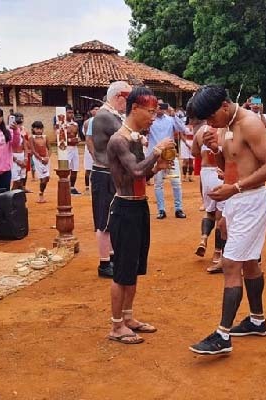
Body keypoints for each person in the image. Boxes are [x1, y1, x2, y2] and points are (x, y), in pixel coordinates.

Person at [189, 85, 266, 355]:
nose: (208, 124)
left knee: (230, 264)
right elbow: (233, 162)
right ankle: (257, 320)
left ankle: (222, 335)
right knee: (249, 262)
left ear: (224, 107)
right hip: (237, 200)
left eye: (210, 118)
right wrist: (215, 151)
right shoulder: (225, 125)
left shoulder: (250, 124)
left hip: (251, 201)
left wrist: (235, 189)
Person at [104, 86, 173, 345]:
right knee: (123, 270)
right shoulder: (119, 140)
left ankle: (128, 317)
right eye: (151, 111)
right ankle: (115, 325)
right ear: (135, 109)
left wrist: (157, 167)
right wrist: (156, 152)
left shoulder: (134, 138)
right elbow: (134, 171)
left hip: (139, 206)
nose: (153, 117)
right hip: (124, 209)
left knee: (134, 267)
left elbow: (142, 175)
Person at [92, 81, 134, 279]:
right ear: (119, 97)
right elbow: (128, 134)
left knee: (112, 217)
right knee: (104, 220)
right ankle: (104, 263)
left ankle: (111, 256)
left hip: (110, 173)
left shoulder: (110, 115)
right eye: (128, 100)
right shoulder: (105, 116)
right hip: (104, 173)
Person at [191, 112, 227, 273]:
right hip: (220, 172)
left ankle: (204, 238)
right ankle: (218, 252)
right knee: (221, 216)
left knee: (209, 212)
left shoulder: (200, 131)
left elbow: (194, 152)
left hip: (206, 174)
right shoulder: (224, 130)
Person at [149, 100, 186, 219]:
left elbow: (182, 129)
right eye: (157, 106)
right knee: (158, 184)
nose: (160, 108)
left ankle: (179, 209)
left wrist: (174, 114)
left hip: (170, 155)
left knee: (176, 183)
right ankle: (161, 210)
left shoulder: (171, 119)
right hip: (156, 156)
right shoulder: (150, 120)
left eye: (162, 105)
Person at [0, 106, 20, 194]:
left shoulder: (7, 131)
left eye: (0, 116)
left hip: (6, 170)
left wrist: (16, 131)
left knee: (5, 196)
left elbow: (15, 145)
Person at [54, 105, 82, 195]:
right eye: (69, 112)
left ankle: (72, 187)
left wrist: (77, 140)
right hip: (66, 149)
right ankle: (64, 187)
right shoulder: (61, 125)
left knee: (75, 169)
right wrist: (69, 140)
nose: (71, 114)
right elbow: (58, 137)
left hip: (75, 149)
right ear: (65, 113)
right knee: (66, 169)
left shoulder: (76, 124)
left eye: (72, 112)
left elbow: (78, 137)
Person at [29, 122, 50, 203]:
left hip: (46, 159)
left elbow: (49, 148)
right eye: (37, 128)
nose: (39, 130)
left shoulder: (45, 137)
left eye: (40, 129)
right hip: (38, 160)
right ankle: (41, 194)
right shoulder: (32, 138)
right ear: (33, 129)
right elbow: (33, 151)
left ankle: (42, 192)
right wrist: (41, 159)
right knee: (43, 178)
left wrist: (48, 157)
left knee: (47, 178)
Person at [10, 113, 30, 192]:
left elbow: (25, 145)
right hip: (13, 157)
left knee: (22, 179)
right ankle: (9, 198)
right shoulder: (9, 130)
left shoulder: (22, 130)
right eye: (18, 118)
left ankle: (19, 201)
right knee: (16, 180)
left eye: (22, 118)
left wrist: (25, 158)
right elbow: (8, 148)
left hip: (22, 155)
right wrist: (16, 160)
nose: (20, 120)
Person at [82, 106, 99, 193]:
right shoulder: (87, 122)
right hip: (89, 146)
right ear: (91, 111)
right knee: (88, 168)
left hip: (99, 147)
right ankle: (87, 187)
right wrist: (90, 149)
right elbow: (87, 136)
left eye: (98, 109)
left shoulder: (102, 121)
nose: (96, 111)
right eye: (95, 109)